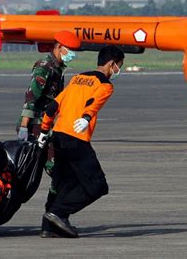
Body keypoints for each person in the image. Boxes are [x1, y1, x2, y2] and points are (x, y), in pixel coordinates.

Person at [37, 45, 125, 238]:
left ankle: (48, 227)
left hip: (57, 135)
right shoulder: (105, 85)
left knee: (63, 182)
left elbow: (53, 105)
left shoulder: (77, 78)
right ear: (111, 64)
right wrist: (85, 118)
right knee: (97, 185)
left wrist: (44, 130)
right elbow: (94, 103)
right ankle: (58, 213)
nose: (118, 70)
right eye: (119, 66)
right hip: (76, 138)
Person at [17, 31, 81, 142]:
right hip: (36, 124)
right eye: (70, 50)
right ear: (60, 47)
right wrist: (24, 125)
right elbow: (32, 95)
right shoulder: (45, 67)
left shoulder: (58, 68)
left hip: (49, 122)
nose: (72, 53)